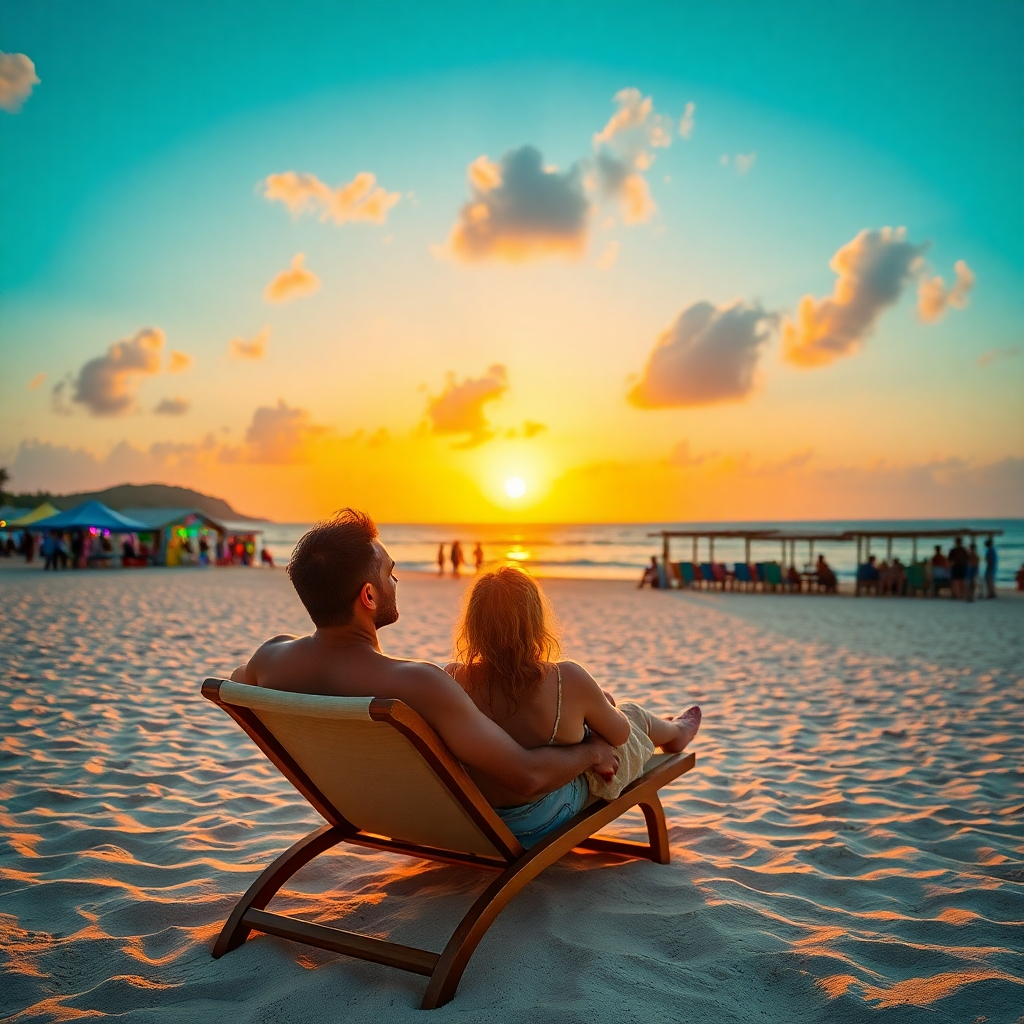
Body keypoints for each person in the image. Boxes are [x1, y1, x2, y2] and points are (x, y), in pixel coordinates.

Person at [230, 510, 618, 821]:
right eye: (389, 573)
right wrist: (593, 752)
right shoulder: (418, 684)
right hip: (453, 825)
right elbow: (527, 776)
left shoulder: (270, 659)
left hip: (370, 815)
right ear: (368, 595)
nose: (396, 581)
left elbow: (235, 685)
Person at [446, 566, 700, 847]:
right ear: (535, 621)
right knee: (633, 715)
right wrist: (598, 717)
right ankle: (675, 732)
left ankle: (647, 724)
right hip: (539, 817)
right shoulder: (565, 678)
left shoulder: (453, 679)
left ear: (473, 624)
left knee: (596, 710)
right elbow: (620, 735)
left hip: (476, 815)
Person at [949, 536, 969, 600]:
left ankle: (957, 594)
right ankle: (962, 594)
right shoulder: (964, 550)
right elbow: (967, 559)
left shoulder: (954, 550)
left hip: (957, 566)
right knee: (962, 581)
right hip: (963, 566)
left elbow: (950, 559)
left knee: (955, 581)